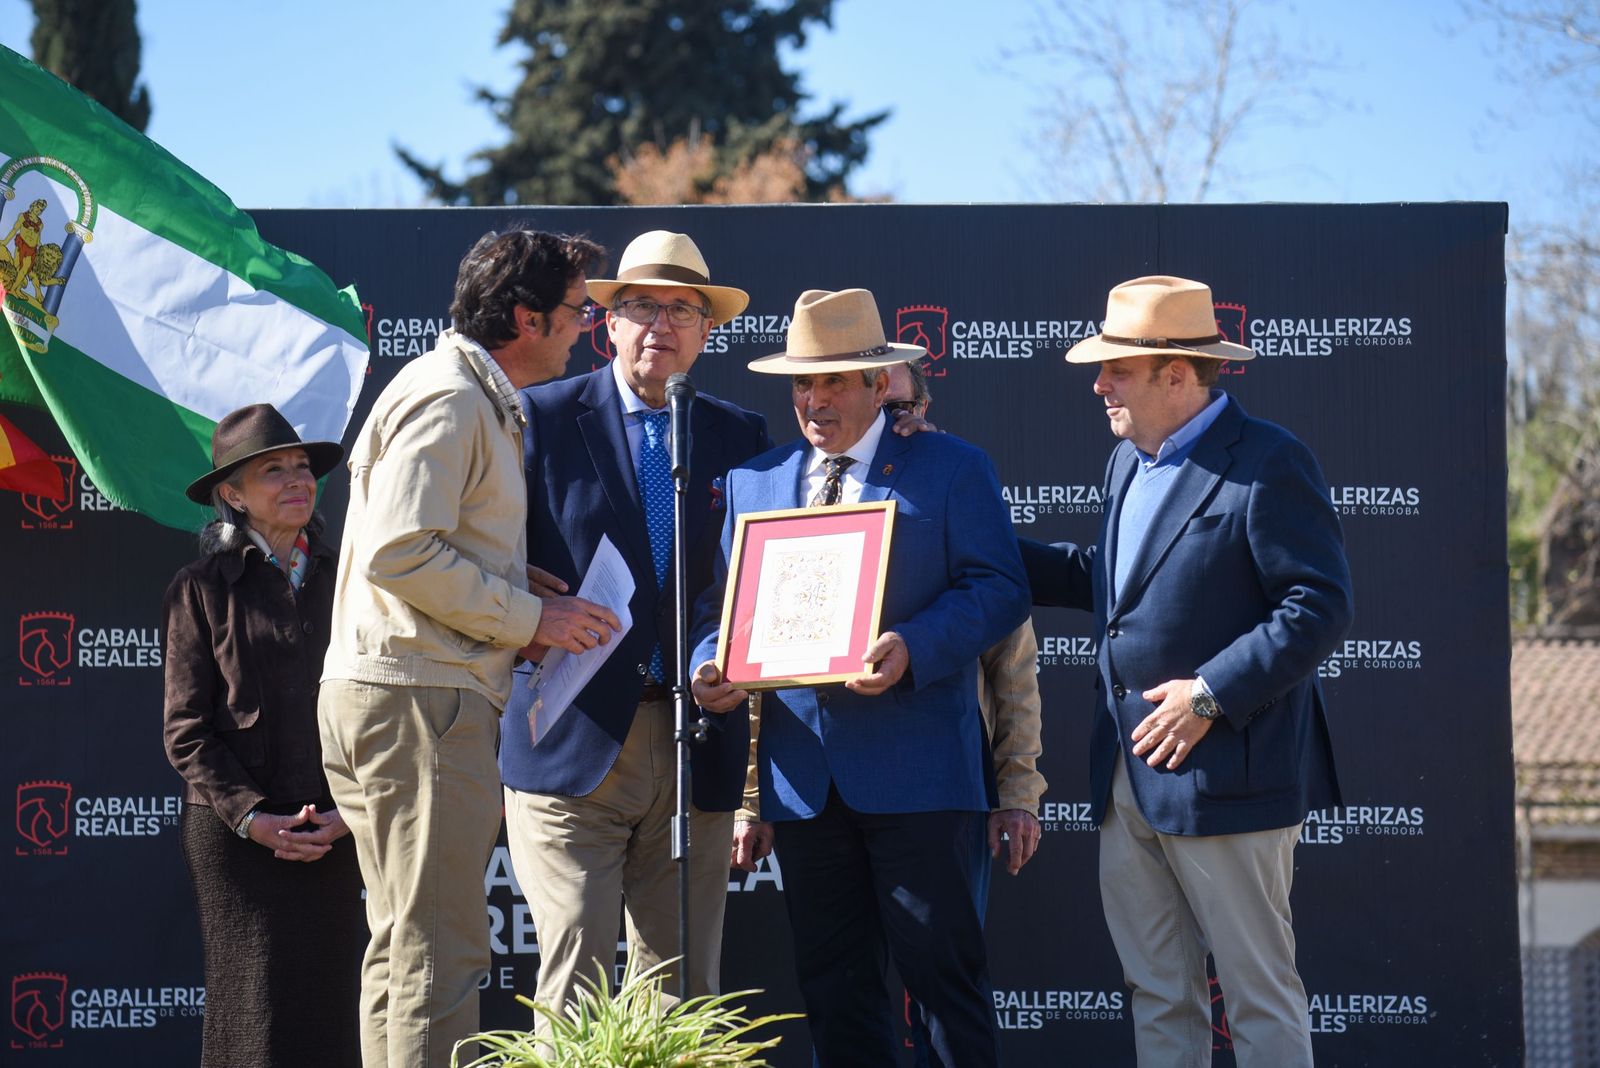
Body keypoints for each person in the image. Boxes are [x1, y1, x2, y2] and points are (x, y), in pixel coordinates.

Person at [1021, 276, 1353, 1067]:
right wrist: (977, 541)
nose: (1098, 384)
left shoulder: (1270, 461)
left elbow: (1319, 604)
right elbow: (1119, 585)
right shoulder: (1124, 464)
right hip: (1127, 774)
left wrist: (1209, 694)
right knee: (1157, 993)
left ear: (1177, 373)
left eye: (1117, 369)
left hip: (1231, 777)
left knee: (1258, 993)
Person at [692, 288, 1029, 1068]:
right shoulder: (757, 482)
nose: (815, 400)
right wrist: (709, 663)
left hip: (920, 775)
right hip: (804, 784)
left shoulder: (951, 468)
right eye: (803, 384)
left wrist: (913, 646)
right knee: (836, 995)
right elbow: (722, 610)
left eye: (836, 381)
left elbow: (1000, 588)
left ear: (882, 384)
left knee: (945, 990)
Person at [318, 228, 623, 1068]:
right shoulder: (452, 394)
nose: (583, 331)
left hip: (403, 688)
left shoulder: (456, 388)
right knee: (440, 952)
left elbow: (417, 539)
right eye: (573, 312)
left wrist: (502, 572)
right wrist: (530, 619)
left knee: (406, 945)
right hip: (423, 698)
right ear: (524, 318)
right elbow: (400, 551)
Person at [498, 230, 770, 1017]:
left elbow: (758, 574)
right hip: (567, 732)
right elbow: (477, 549)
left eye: (683, 310)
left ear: (708, 332)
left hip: (695, 742)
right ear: (605, 323)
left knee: (684, 988)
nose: (663, 324)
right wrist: (520, 603)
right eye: (641, 306)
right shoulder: (536, 417)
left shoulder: (739, 435)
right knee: (574, 978)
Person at [162, 403, 364, 1067]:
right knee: (254, 1021)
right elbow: (187, 732)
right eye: (273, 470)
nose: (296, 480)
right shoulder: (199, 589)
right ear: (232, 495)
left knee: (338, 1011)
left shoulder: (352, 581)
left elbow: (379, 710)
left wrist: (348, 815)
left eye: (303, 467)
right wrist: (254, 819)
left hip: (339, 829)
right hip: (237, 840)